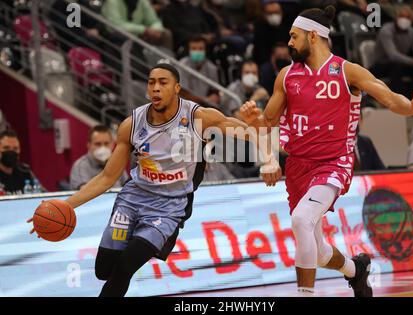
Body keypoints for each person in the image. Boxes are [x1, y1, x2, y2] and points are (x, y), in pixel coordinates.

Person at [27, 64, 280, 297]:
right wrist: (66, 205)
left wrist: (269, 159)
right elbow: (106, 178)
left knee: (126, 266)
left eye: (163, 82)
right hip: (133, 199)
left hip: (170, 207)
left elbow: (247, 132)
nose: (155, 88)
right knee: (104, 270)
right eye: (151, 83)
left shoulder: (199, 117)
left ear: (177, 88)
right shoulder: (132, 124)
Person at [240, 5, 413, 297]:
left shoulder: (346, 71)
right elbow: (268, 121)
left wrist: (412, 108)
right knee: (317, 252)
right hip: (298, 166)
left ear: (313, 36)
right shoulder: (286, 76)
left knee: (301, 220)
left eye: (294, 36)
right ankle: (357, 270)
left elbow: (390, 98)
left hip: (333, 163)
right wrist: (253, 119)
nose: (289, 42)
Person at [371, 5, 413, 97]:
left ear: (411, 19)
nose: (404, 19)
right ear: (396, 17)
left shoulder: (412, 32)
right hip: (381, 64)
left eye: (407, 17)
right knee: (396, 66)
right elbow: (393, 55)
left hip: (401, 64)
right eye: (402, 16)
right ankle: (397, 101)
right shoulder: (386, 30)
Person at [70, 125, 129, 190]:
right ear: (89, 145)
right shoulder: (80, 165)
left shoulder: (117, 162)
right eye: (98, 144)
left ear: (112, 144)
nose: (102, 147)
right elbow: (85, 192)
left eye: (106, 143)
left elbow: (127, 187)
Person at [101, 0, 173, 50]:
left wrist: (154, 30)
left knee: (166, 33)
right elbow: (115, 25)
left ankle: (167, 66)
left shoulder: (142, 1)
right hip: (118, 35)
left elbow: (154, 20)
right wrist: (143, 30)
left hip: (140, 34)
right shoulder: (112, 2)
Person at [178, 36, 220, 105]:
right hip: (184, 104)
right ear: (189, 50)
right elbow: (182, 93)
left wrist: (215, 96)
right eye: (194, 49)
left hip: (204, 106)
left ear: (205, 50)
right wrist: (204, 99)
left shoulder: (212, 67)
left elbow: (215, 90)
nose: (197, 51)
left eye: (200, 49)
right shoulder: (182, 64)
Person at [0, 130, 41, 195]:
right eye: (6, 148)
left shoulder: (25, 171)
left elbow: (43, 194)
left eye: (15, 148)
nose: (11, 152)